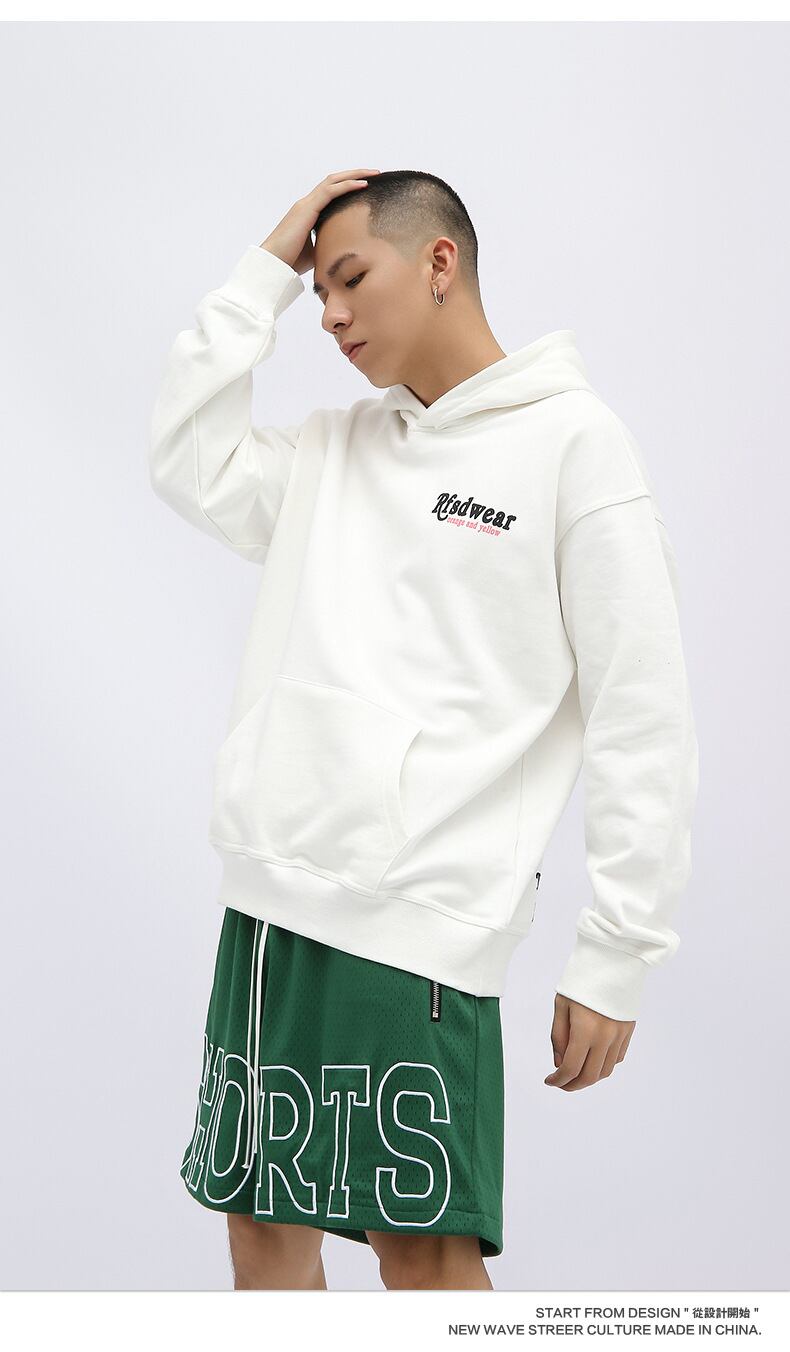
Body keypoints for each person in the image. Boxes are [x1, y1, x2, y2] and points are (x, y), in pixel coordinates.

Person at [148, 168, 699, 1291]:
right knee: (259, 1228)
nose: (331, 314)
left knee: (424, 1252)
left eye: (351, 278)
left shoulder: (575, 446)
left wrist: (618, 952)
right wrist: (263, 274)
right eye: (318, 293)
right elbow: (187, 459)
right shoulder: (335, 449)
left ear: (440, 261)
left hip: (420, 933)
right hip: (270, 908)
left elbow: (643, 712)